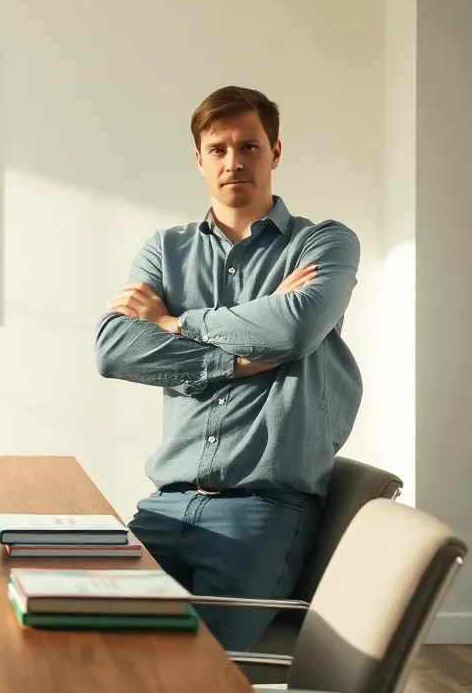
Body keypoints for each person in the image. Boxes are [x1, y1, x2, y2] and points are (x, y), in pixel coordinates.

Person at [94, 85, 363, 651]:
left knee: (199, 670)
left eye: (249, 146)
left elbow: (293, 329)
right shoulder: (165, 250)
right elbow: (114, 349)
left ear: (276, 152)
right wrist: (238, 359)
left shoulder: (325, 243)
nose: (233, 162)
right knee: (88, 643)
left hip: (263, 512)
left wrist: (173, 323)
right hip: (165, 504)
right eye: (217, 149)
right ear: (199, 159)